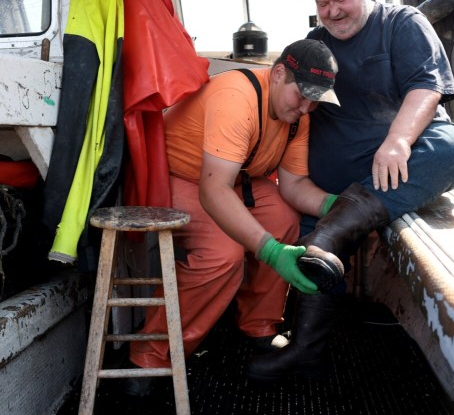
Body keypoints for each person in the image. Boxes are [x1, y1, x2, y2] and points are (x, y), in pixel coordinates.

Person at [246, 0, 454, 381]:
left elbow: (428, 88)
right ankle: (306, 350)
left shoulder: (403, 23)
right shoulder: (314, 45)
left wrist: (397, 139)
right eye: (322, 4)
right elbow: (286, 102)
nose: (332, 11)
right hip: (342, 168)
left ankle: (334, 232)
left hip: (404, 156)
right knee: (310, 207)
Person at [124, 38, 344, 395]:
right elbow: (214, 190)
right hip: (178, 177)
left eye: (314, 100)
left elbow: (293, 186)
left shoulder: (297, 116)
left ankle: (260, 326)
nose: (306, 107)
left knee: (284, 218)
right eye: (300, 95)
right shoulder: (236, 98)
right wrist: (270, 251)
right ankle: (152, 356)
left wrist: (337, 206)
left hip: (237, 181)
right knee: (221, 255)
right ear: (277, 74)